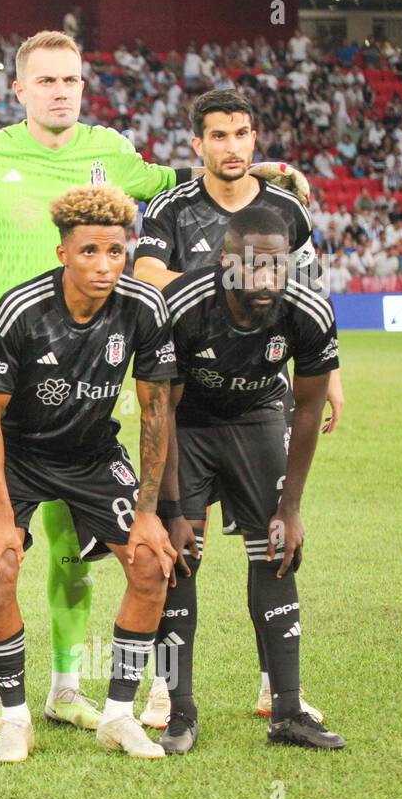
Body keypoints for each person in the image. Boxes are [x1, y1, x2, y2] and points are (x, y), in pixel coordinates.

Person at [0, 29, 307, 737]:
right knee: (0, 542)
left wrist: (265, 172)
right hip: (4, 379)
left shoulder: (116, 154)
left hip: (88, 386)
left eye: (70, 80)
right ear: (19, 91)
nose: (61, 91)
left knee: (75, 550)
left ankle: (67, 686)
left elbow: (188, 184)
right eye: (46, 81)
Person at [133, 89, 341, 725]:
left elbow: (307, 289)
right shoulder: (170, 207)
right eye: (217, 136)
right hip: (185, 400)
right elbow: (145, 278)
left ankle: (275, 689)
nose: (231, 146)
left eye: (242, 134)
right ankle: (169, 691)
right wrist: (223, 283)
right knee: (178, 550)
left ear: (256, 140)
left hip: (260, 400)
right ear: (196, 144)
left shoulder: (286, 207)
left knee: (272, 543)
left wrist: (330, 375)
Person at [0, 185, 178, 763]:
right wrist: (3, 517)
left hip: (90, 454)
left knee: (150, 564)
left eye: (115, 251)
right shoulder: (22, 309)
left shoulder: (142, 307)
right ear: (63, 253)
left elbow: (156, 410)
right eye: (90, 251)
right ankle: (13, 718)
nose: (104, 265)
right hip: (19, 455)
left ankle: (117, 716)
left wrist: (148, 512)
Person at [157, 206, 345, 753]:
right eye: (251, 267)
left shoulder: (308, 308)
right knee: (178, 557)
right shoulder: (182, 306)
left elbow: (307, 410)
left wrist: (290, 506)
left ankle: (288, 710)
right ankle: (180, 713)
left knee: (277, 549)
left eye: (276, 267)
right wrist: (169, 510)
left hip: (259, 417)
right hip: (187, 424)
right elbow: (159, 409)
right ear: (224, 261)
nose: (264, 280)